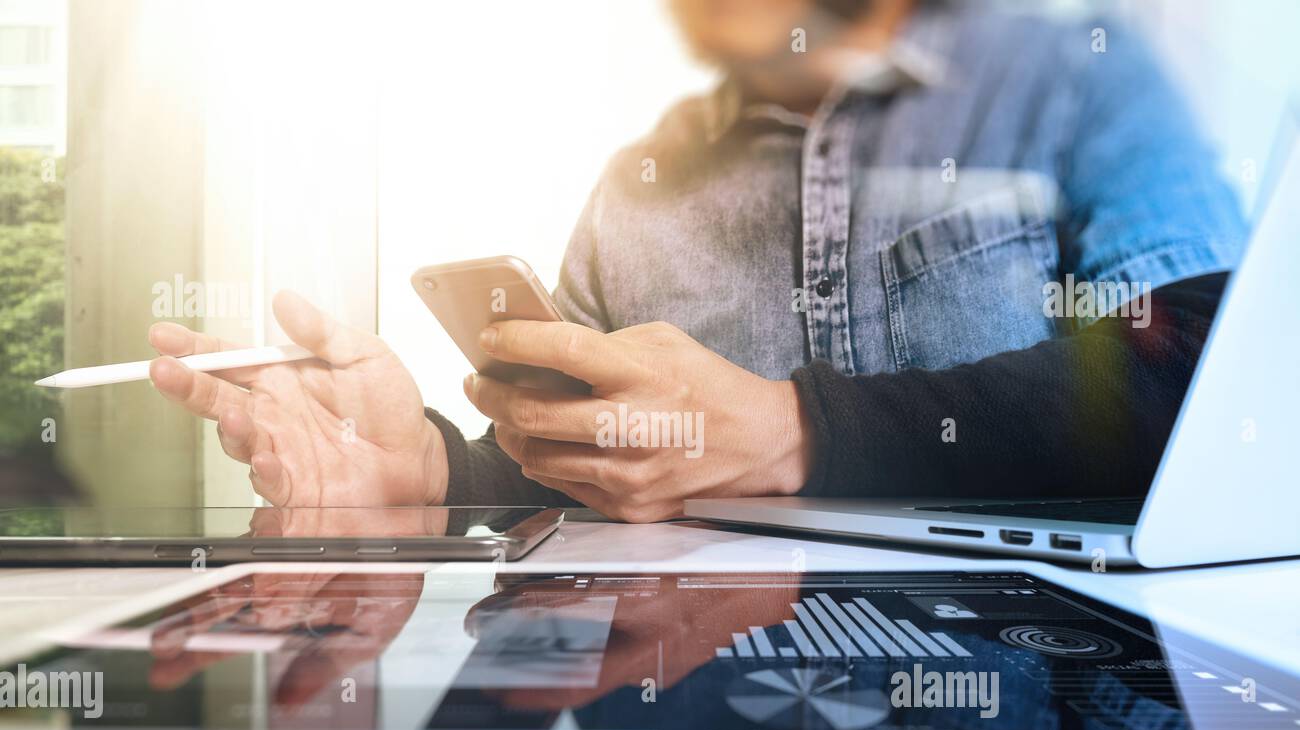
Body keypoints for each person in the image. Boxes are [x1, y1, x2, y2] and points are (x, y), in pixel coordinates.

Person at [147, 0, 1243, 522]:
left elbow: (1210, 392)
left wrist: (794, 430)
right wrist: (435, 471)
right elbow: (570, 459)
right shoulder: (641, 178)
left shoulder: (1078, 82)